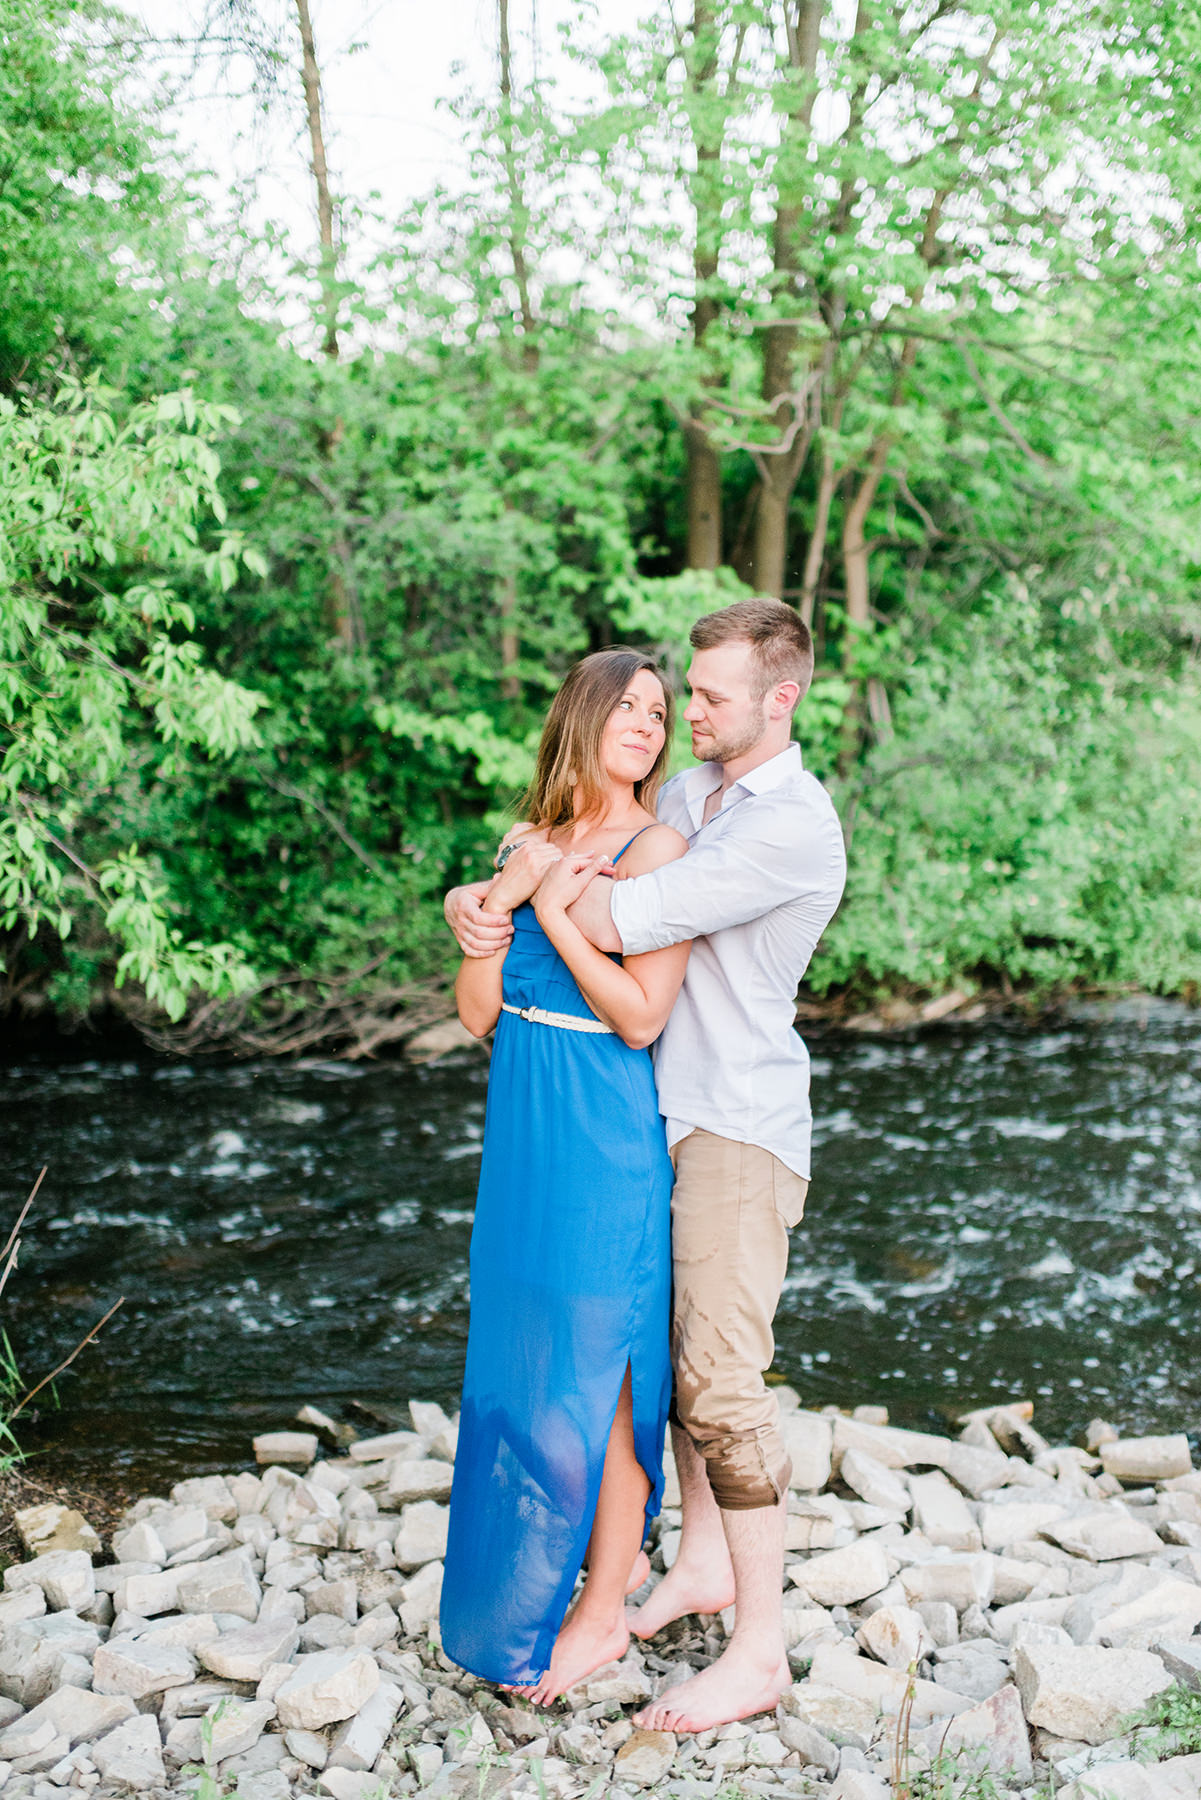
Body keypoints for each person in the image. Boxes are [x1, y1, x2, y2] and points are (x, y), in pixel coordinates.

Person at [446, 597, 847, 1733]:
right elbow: (538, 908)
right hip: (648, 1115)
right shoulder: (687, 792)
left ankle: (758, 1651)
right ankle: (702, 1570)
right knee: (659, 1367)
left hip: (731, 1120)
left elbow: (627, 917)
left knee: (717, 1381)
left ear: (781, 699)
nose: (683, 714)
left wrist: (519, 891)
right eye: (673, 698)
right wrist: (484, 902)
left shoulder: (789, 824)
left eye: (703, 698)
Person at [439, 647, 692, 1706]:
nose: (645, 722)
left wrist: (546, 913)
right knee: (530, 1356)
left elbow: (641, 1018)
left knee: (610, 1359)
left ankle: (602, 1607)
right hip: (524, 1116)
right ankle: (527, 1589)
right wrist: (495, 897)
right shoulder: (526, 838)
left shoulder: (657, 844)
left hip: (603, 1119)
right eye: (627, 705)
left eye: (660, 711)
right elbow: (474, 1009)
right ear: (582, 715)